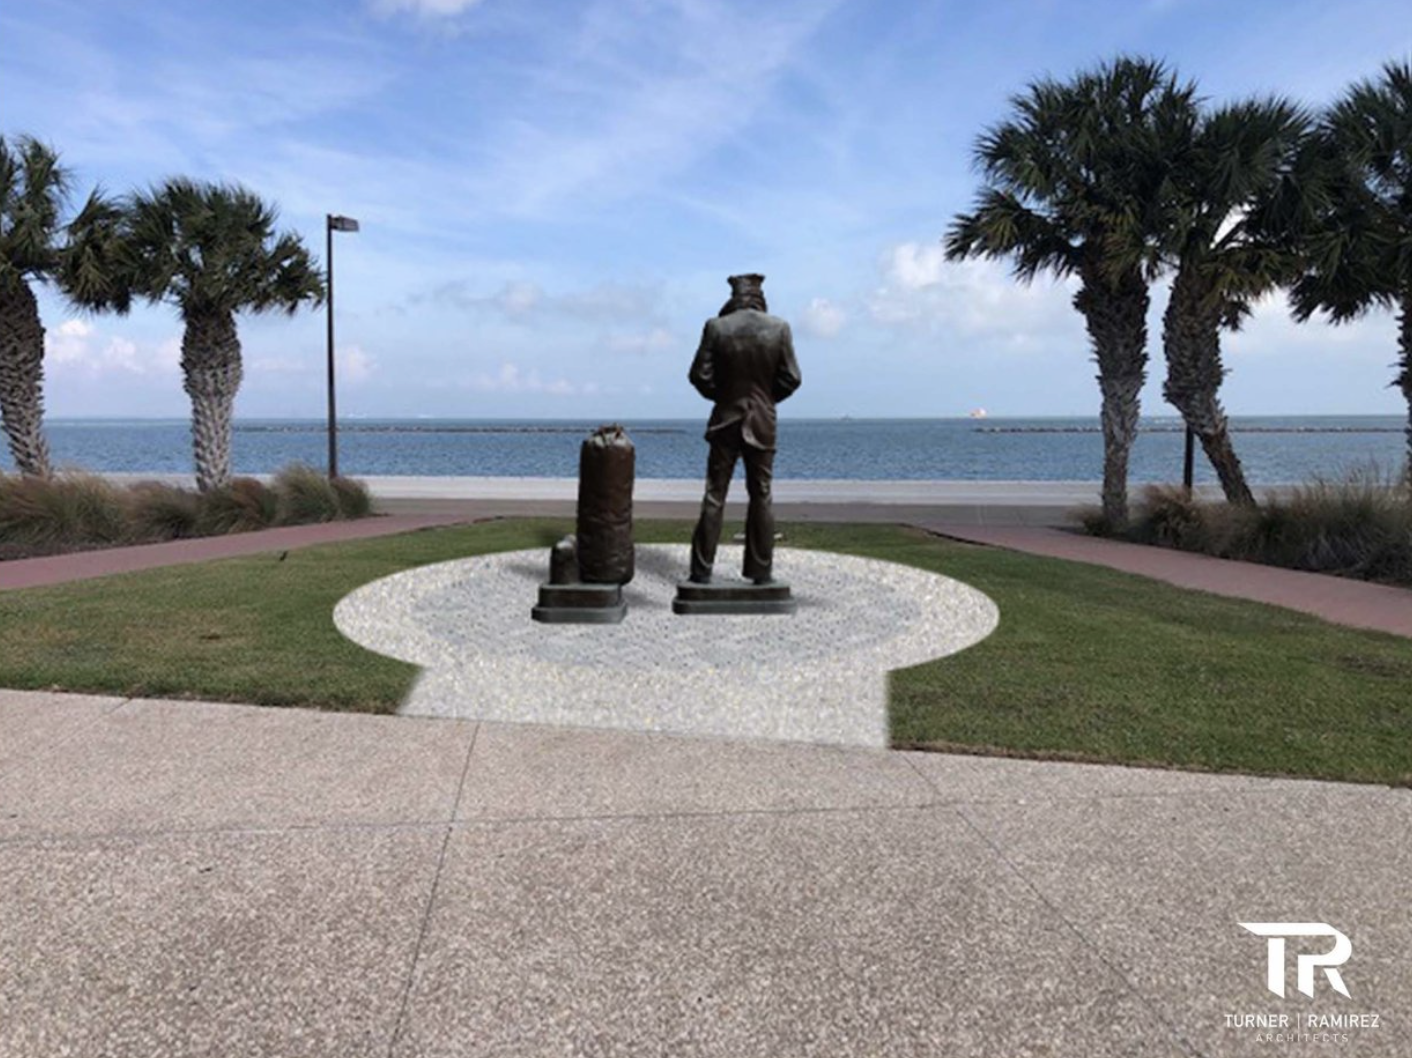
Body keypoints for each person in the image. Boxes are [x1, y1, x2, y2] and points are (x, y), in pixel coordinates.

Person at [686, 273, 802, 584]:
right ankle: (761, 571)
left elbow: (699, 375)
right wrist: (765, 399)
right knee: (761, 495)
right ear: (758, 295)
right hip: (762, 421)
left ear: (734, 296)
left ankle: (700, 571)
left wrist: (724, 396)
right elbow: (792, 377)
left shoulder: (716, 327)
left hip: (725, 418)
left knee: (714, 496)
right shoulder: (778, 328)